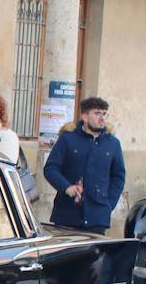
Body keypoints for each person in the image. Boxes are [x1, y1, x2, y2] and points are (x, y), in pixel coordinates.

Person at [42, 96, 126, 233]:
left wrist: (108, 204)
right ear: (85, 117)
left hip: (98, 218)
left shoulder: (113, 144)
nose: (102, 118)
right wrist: (66, 187)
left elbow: (118, 177)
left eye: (104, 113)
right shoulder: (67, 139)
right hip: (67, 215)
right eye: (97, 113)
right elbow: (51, 169)